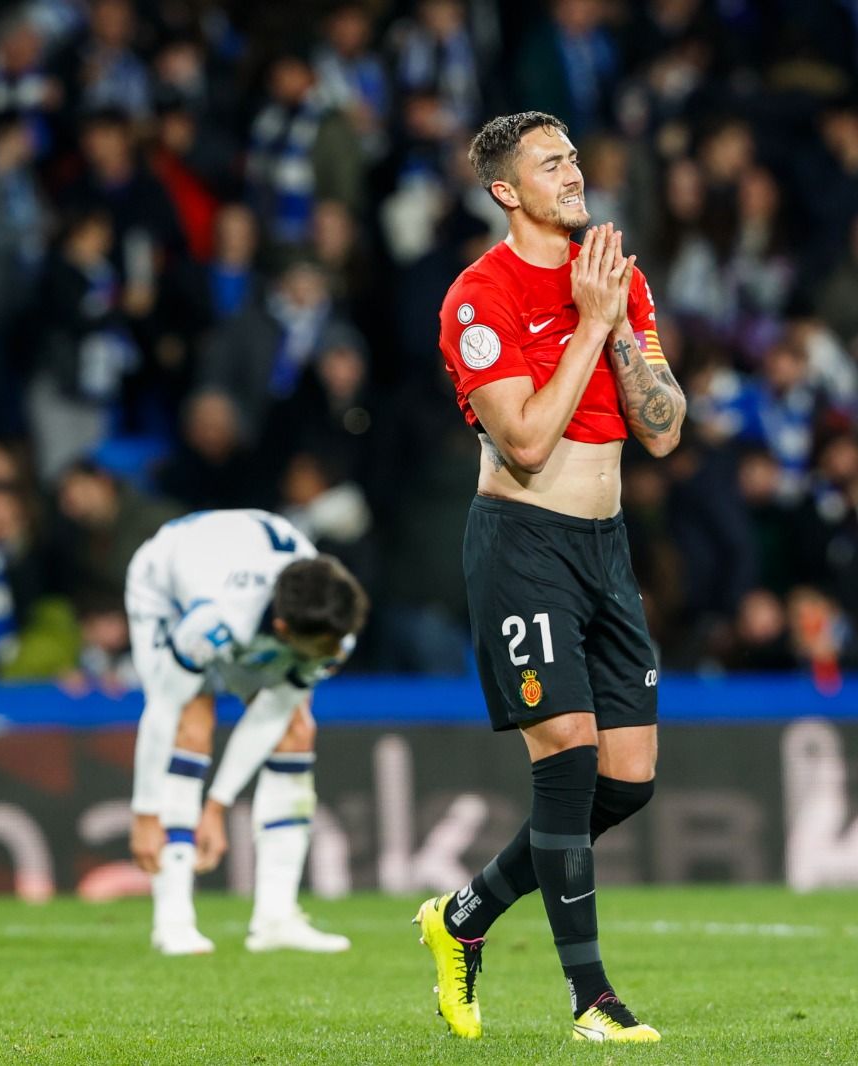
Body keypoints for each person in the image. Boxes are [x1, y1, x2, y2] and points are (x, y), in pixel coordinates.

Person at [416, 111, 686, 1044]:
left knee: (631, 778)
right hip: (523, 541)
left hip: (605, 548)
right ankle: (591, 1000)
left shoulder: (617, 275)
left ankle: (462, 917)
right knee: (566, 753)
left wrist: (610, 317)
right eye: (549, 162)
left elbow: (663, 425)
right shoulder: (476, 298)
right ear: (505, 190)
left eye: (573, 155)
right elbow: (525, 441)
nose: (572, 172)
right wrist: (591, 322)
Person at [124, 508, 368, 957]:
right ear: (282, 629)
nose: (336, 654)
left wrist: (216, 805)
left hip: (234, 570)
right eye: (325, 647)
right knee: (189, 721)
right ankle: (173, 918)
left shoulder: (332, 620)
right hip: (166, 586)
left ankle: (276, 917)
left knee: (296, 729)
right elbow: (161, 711)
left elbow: (271, 716)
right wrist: (144, 814)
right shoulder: (216, 621)